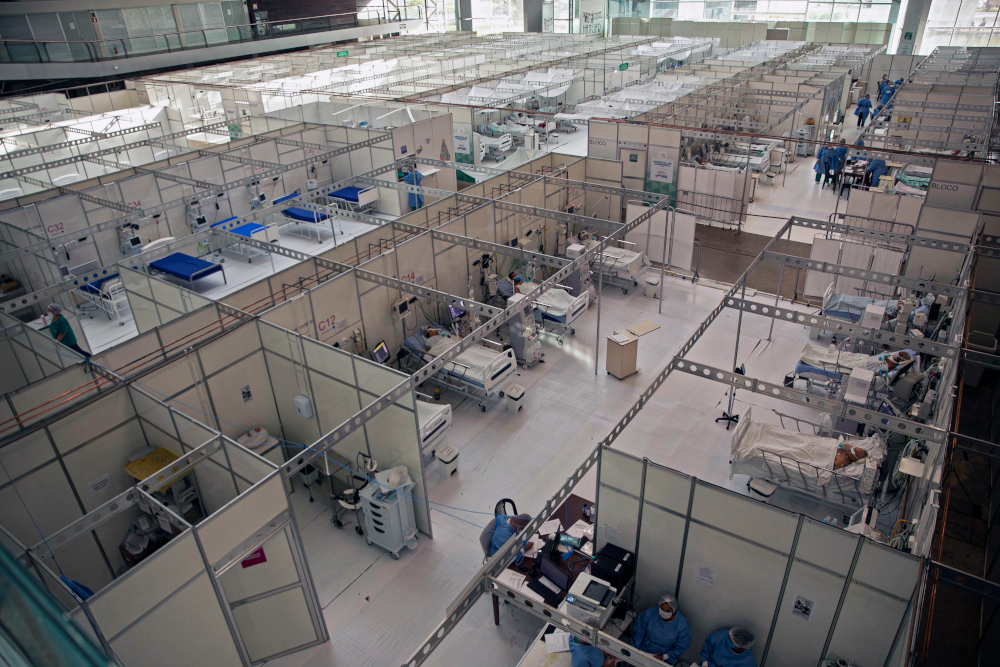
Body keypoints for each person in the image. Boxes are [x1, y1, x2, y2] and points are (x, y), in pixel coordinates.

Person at [630, 593, 691, 664]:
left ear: (673, 610)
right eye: (662, 609)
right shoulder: (649, 614)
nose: (664, 612)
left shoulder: (682, 625)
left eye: (668, 611)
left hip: (664, 655)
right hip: (644, 650)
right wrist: (632, 652)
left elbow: (681, 647)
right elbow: (638, 634)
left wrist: (664, 657)